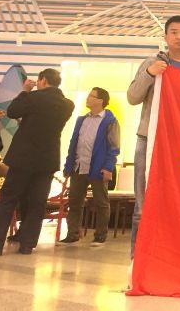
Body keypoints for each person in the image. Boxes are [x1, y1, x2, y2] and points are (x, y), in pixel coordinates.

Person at [127, 15, 180, 259]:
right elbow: (132, 97)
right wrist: (150, 74)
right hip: (149, 139)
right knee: (143, 205)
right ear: (166, 36)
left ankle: (170, 259)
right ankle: (138, 260)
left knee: (178, 203)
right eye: (174, 32)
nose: (179, 37)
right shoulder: (153, 62)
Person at [0, 69, 74, 256]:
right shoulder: (67, 105)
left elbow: (12, 111)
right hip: (47, 160)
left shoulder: (33, 98)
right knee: (37, 202)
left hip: (23, 158)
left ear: (43, 80)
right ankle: (27, 245)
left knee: (8, 199)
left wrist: (24, 91)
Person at [58, 87, 120, 247]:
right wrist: (68, 165)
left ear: (100, 101)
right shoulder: (81, 120)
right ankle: (72, 234)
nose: (88, 98)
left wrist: (108, 167)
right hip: (79, 166)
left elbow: (114, 147)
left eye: (92, 96)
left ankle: (100, 236)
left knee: (101, 202)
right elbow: (73, 143)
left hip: (98, 168)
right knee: (75, 202)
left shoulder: (110, 121)